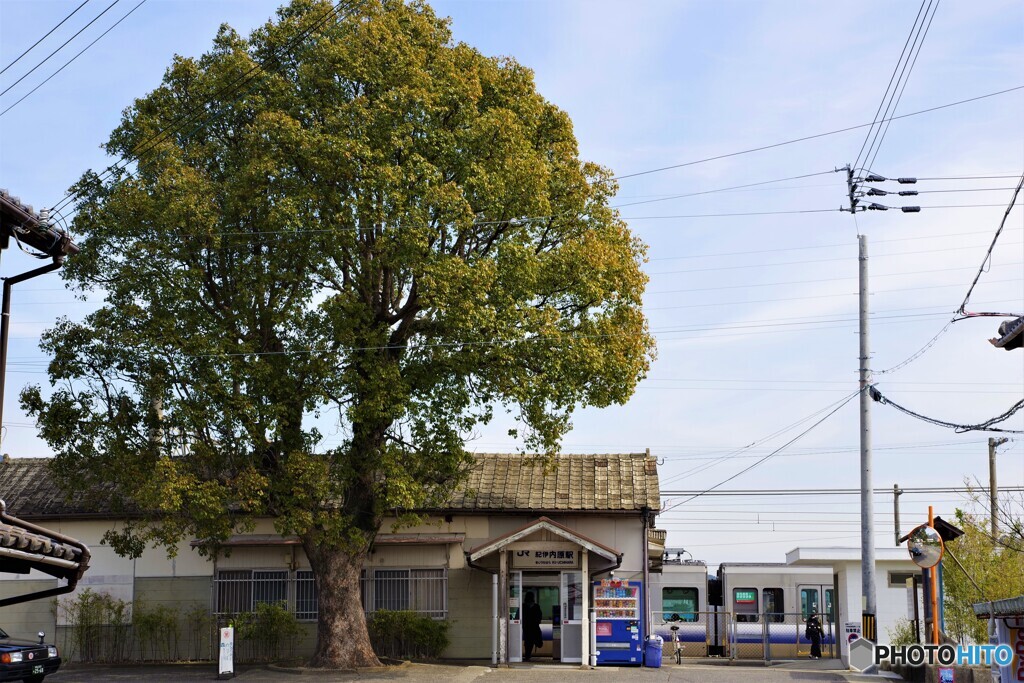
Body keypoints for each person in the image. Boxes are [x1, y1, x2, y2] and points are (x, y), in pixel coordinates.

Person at [522, 591, 543, 661]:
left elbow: (519, 616)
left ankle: (527, 655)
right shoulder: (536, 606)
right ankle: (529, 653)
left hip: (526, 627)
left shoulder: (523, 606)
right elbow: (540, 616)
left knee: (528, 641)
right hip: (534, 627)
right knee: (533, 640)